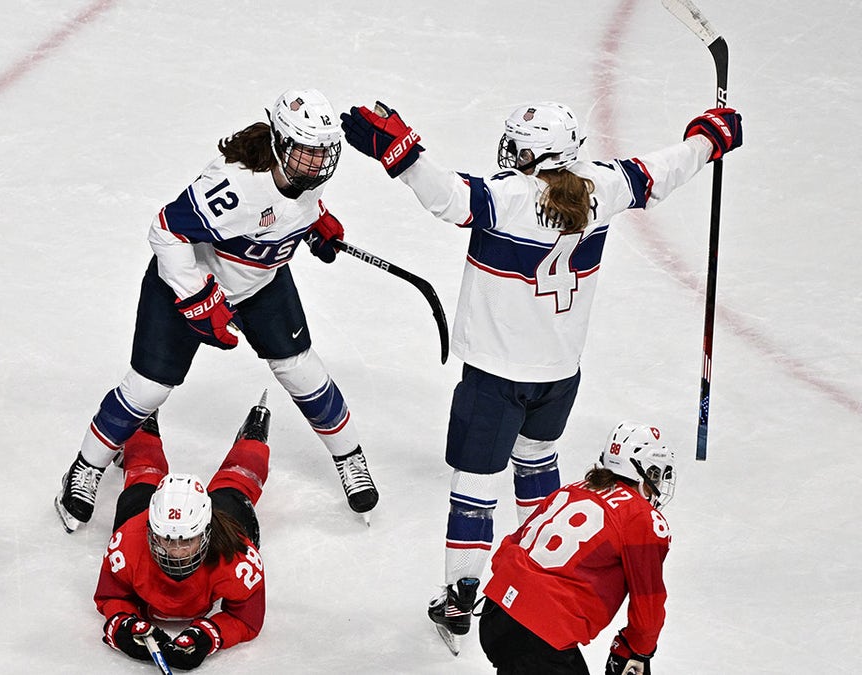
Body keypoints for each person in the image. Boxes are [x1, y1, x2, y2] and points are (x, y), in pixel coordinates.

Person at [338, 100, 740, 636]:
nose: (510, 153)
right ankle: (541, 572)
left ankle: (460, 596)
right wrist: (708, 140)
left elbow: (450, 199)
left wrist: (402, 153)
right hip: (558, 375)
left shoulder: (510, 197)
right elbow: (661, 172)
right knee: (536, 462)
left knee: (476, 486)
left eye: (520, 147)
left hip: (494, 376)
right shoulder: (604, 185)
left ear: (542, 155)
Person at [56, 88, 379, 533]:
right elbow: (165, 231)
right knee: (149, 388)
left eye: (323, 152)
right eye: (306, 152)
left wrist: (313, 225)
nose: (317, 163)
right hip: (187, 281)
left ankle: (350, 458)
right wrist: (196, 296)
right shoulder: (236, 185)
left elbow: (293, 206)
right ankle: (85, 467)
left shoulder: (304, 174)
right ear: (281, 145)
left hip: (262, 281)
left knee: (300, 369)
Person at [478, 421, 675, 674]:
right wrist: (635, 649)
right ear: (641, 471)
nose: (657, 484)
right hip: (540, 635)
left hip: (495, 612)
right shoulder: (642, 517)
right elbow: (648, 599)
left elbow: (512, 544)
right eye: (656, 474)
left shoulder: (575, 489)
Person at [95, 395, 271, 671]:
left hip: (225, 519)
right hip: (141, 521)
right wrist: (124, 625)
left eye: (187, 540)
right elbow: (111, 596)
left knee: (238, 483)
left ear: (207, 529)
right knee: (142, 478)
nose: (176, 550)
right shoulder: (128, 542)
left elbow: (248, 618)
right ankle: (144, 425)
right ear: (151, 529)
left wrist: (207, 635)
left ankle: (253, 438)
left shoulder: (237, 555)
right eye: (167, 539)